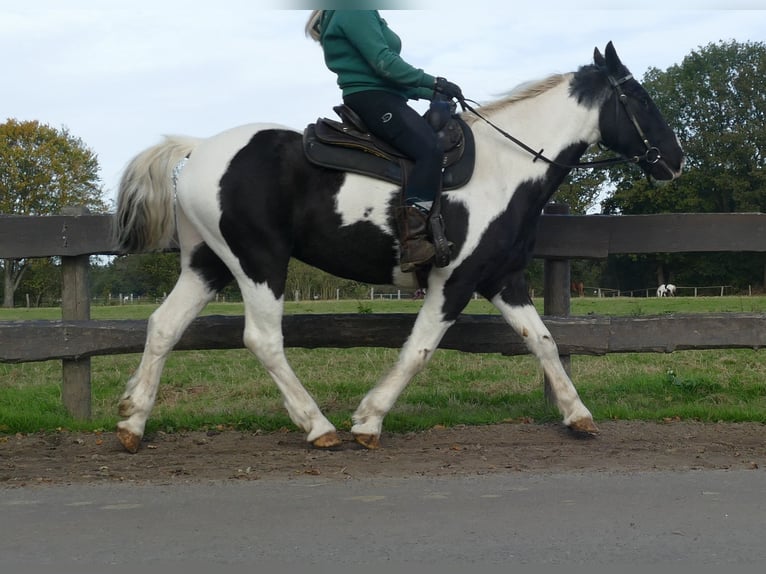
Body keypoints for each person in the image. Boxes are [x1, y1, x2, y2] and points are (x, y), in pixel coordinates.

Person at [306, 10, 463, 272]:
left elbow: (386, 75)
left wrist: (433, 91)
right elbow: (384, 64)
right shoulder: (354, 8)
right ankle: (412, 239)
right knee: (430, 150)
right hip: (373, 98)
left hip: (383, 94)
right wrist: (433, 81)